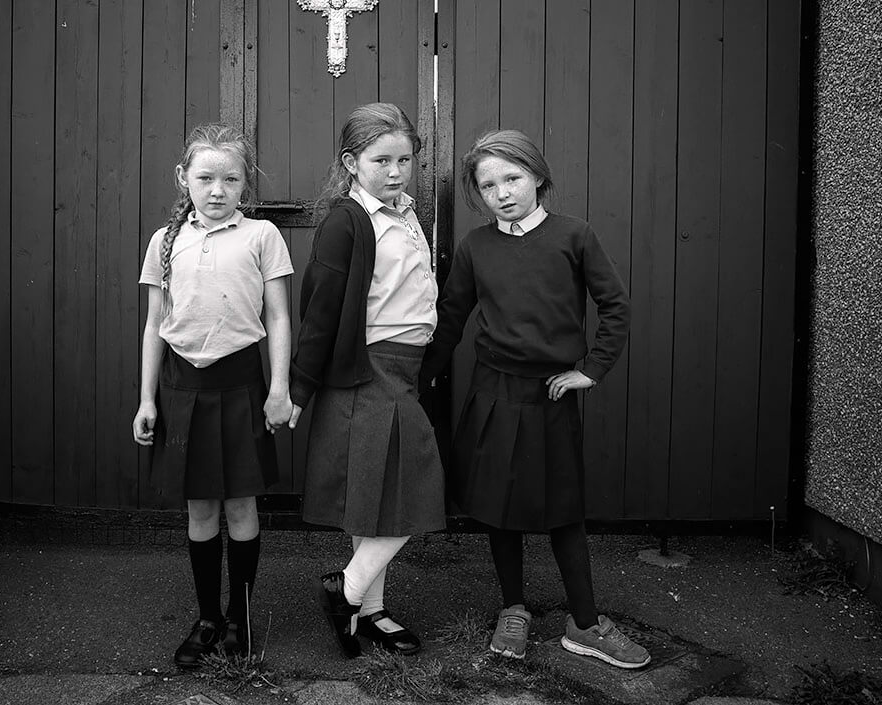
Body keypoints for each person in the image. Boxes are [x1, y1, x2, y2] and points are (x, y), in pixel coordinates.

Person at [419, 129, 650, 669]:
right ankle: (513, 608)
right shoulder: (477, 246)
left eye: (513, 178)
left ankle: (586, 623)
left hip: (550, 396)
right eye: (488, 184)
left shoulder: (575, 236)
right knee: (501, 509)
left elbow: (614, 305)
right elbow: (452, 318)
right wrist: (419, 379)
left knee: (564, 509)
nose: (502, 192)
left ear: (538, 177)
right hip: (494, 394)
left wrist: (590, 369)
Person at [286, 102, 445, 658]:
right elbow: (320, 309)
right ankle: (346, 590)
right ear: (352, 162)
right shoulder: (347, 220)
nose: (397, 171)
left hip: (407, 365)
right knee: (418, 483)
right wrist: (298, 389)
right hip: (372, 367)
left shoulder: (403, 212)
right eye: (382, 160)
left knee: (375, 491)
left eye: (406, 159)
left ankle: (369, 614)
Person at [132, 124, 294, 669]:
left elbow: (277, 316)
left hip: (242, 385)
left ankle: (240, 619)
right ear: (184, 179)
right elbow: (155, 323)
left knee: (242, 504)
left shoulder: (263, 236)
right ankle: (207, 619)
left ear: (245, 185)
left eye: (230, 178)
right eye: (205, 178)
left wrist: (279, 389)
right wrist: (147, 399)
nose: (217, 189)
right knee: (200, 507)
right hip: (184, 388)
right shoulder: (165, 241)